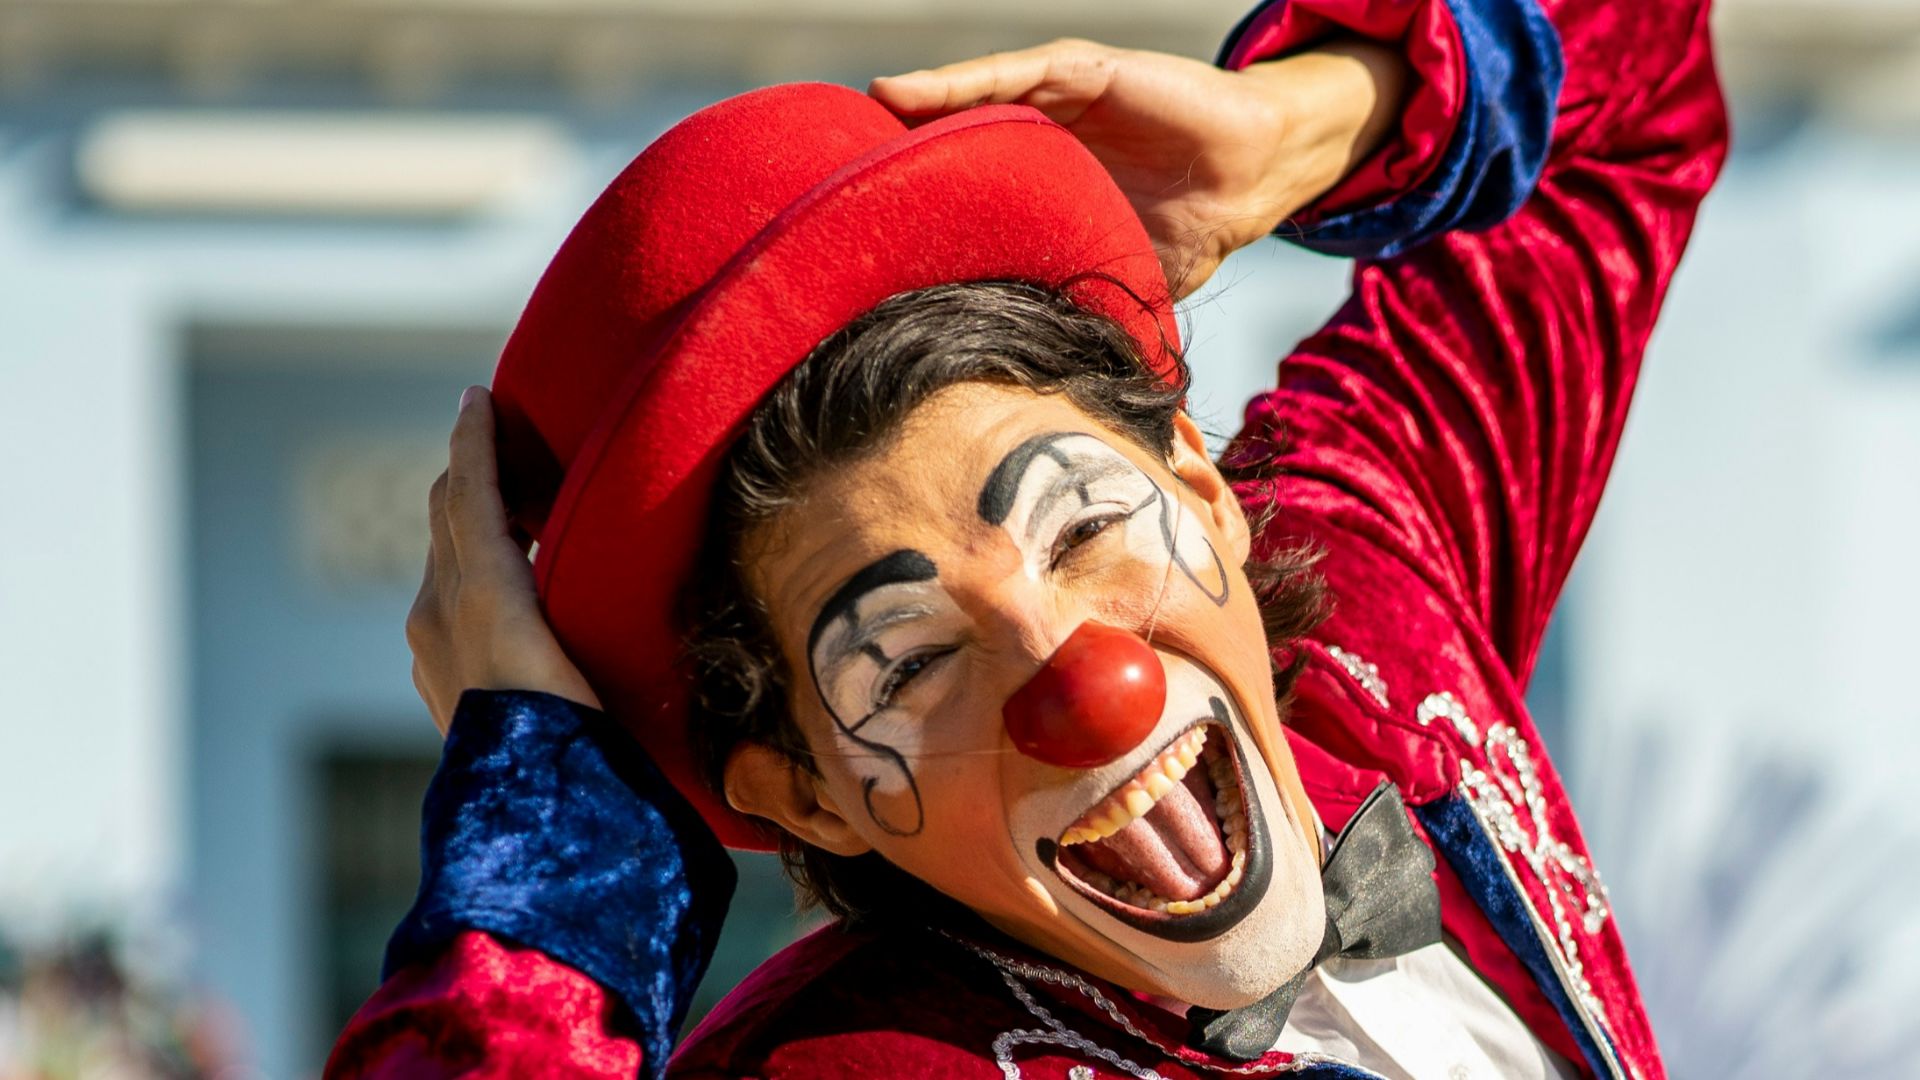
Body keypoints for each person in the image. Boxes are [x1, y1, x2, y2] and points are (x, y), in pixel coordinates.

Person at [326, 0, 1727, 1074]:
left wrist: (1320, 114)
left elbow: (1633, 112)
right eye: (907, 664)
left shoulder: (1374, 600)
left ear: (1198, 477)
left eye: (1085, 530)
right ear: (804, 794)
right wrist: (550, 878)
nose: (1082, 688)